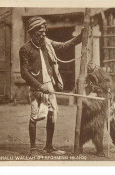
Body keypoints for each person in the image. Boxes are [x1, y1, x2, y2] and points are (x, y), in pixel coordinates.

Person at [19, 16, 84, 155]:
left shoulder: (46, 43)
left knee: (52, 113)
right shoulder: (25, 49)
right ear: (32, 32)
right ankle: (33, 149)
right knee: (34, 116)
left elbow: (63, 46)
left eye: (44, 31)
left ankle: (48, 146)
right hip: (36, 87)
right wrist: (39, 86)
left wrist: (81, 37)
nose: (43, 34)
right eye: (40, 32)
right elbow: (24, 73)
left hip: (49, 85)